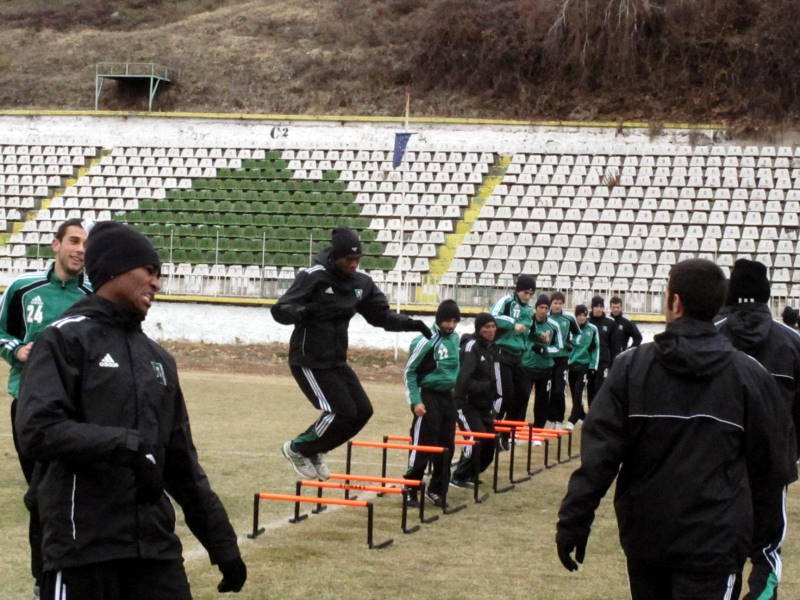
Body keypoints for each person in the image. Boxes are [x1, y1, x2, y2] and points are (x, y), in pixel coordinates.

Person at [16, 221, 246, 599]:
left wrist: (223, 544)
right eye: (149, 271)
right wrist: (126, 445)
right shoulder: (63, 338)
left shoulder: (158, 359)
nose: (156, 283)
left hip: (154, 550)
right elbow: (37, 430)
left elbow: (181, 463)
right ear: (115, 270)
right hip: (81, 549)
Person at [556, 259, 797, 599]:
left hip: (659, 540)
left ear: (674, 302)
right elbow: (771, 475)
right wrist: (766, 558)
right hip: (707, 543)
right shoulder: (749, 376)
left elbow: (598, 457)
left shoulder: (631, 368)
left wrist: (573, 520)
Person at [271, 227, 431, 480]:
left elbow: (380, 316)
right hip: (309, 359)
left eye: (358, 259)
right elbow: (280, 309)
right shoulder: (313, 276)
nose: (354, 265)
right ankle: (297, 448)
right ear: (335, 256)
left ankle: (317, 450)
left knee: (363, 411)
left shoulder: (361, 283)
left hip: (336, 360)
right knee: (341, 411)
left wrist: (412, 324)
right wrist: (303, 311)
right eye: (348, 260)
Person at [0, 217, 90, 593]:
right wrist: (15, 349)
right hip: (29, 406)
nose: (80, 250)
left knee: (67, 495)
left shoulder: (92, 295)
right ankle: (45, 578)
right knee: (41, 496)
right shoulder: (24, 288)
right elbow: (1, 330)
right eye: (73, 241)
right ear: (55, 245)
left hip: (77, 410)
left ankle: (70, 573)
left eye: (86, 244)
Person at [715, 258, 800, 599]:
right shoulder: (792, 343)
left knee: (723, 551)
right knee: (766, 550)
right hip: (773, 466)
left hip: (719, 465)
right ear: (767, 294)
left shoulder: (712, 335)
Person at [403, 300, 461, 508]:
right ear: (439, 319)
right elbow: (409, 372)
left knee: (447, 446)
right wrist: (415, 401)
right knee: (423, 444)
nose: (451, 325)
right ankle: (411, 487)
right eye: (447, 320)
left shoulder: (455, 339)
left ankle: (437, 489)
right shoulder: (425, 340)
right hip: (428, 395)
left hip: (448, 397)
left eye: (454, 321)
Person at [451, 313, 500, 488]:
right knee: (476, 438)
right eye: (486, 327)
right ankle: (458, 475)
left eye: (493, 326)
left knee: (490, 442)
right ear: (479, 329)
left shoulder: (490, 348)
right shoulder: (471, 347)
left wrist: (493, 394)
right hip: (465, 404)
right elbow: (462, 382)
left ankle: (472, 473)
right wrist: (486, 386)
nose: (491, 330)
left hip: (483, 405)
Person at [489, 275, 535, 443]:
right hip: (502, 354)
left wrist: (540, 337)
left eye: (531, 294)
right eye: (525, 292)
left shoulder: (530, 311)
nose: (527, 296)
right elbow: (491, 317)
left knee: (523, 395)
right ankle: (492, 429)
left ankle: (507, 434)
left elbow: (530, 331)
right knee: (505, 396)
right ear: (518, 290)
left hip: (519, 357)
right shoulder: (507, 302)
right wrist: (512, 323)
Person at [521, 294, 562, 428]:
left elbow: (559, 347)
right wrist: (536, 342)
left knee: (542, 401)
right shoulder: (528, 321)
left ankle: (538, 429)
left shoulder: (553, 326)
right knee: (522, 399)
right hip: (527, 366)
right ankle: (516, 429)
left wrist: (545, 350)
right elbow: (522, 338)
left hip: (545, 368)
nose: (543, 310)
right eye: (541, 307)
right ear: (536, 307)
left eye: (546, 307)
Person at [547, 292, 581, 429]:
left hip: (562, 358)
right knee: (548, 390)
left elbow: (578, 334)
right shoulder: (545, 317)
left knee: (559, 390)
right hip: (548, 358)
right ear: (551, 303)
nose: (557, 306)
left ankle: (559, 419)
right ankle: (549, 418)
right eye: (555, 303)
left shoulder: (569, 318)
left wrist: (571, 343)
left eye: (560, 303)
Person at [565, 304, 598, 429]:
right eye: (579, 315)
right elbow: (566, 343)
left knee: (579, 391)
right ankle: (581, 414)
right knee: (573, 392)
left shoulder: (592, 329)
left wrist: (593, 366)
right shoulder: (570, 327)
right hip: (571, 364)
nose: (582, 318)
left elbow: (596, 348)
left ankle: (572, 419)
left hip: (584, 364)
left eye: (584, 315)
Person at [585, 296, 616, 411]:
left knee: (600, 388)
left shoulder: (610, 323)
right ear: (592, 308)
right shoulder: (587, 322)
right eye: (596, 306)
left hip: (603, 363)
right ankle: (591, 413)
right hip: (589, 362)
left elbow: (614, 346)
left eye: (601, 306)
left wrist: (612, 363)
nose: (598, 309)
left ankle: (599, 413)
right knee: (590, 388)